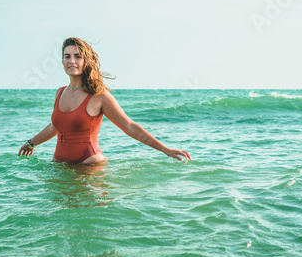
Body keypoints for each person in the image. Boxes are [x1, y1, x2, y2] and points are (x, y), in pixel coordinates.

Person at [18, 37, 192, 165]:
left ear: (86, 61)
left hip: (89, 166)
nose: (72, 61)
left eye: (77, 56)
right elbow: (56, 127)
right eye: (67, 56)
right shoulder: (60, 93)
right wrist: (31, 142)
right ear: (62, 61)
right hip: (60, 167)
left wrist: (166, 150)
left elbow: (129, 126)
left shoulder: (99, 96)